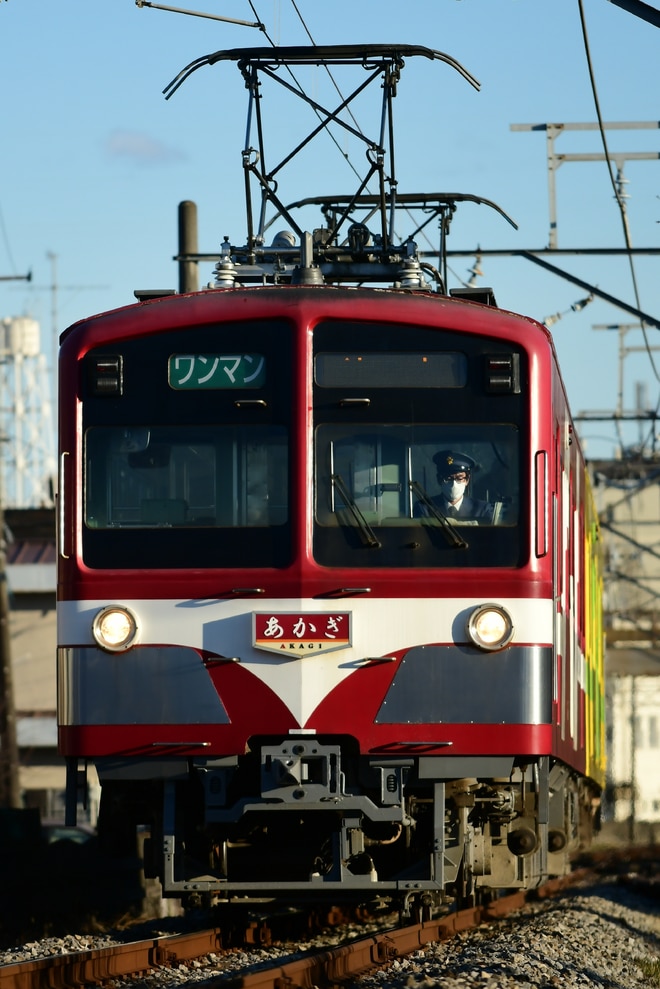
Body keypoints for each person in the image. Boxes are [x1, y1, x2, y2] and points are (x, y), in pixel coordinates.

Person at [415, 450, 494, 522]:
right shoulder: (425, 508)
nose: (454, 484)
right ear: (439, 479)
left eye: (459, 478)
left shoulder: (482, 509)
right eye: (448, 478)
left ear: (467, 480)